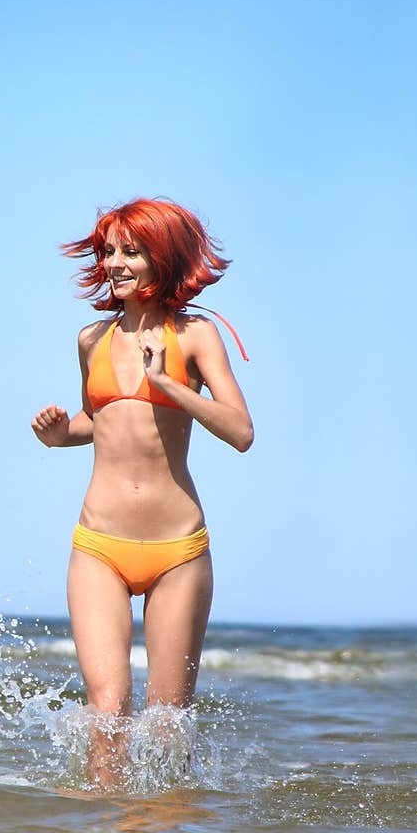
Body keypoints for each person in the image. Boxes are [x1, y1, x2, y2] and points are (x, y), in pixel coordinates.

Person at [31, 198, 253, 791]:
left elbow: (241, 432)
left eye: (131, 251)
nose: (115, 263)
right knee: (106, 715)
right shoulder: (91, 339)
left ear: (164, 256)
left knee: (166, 728)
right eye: (110, 251)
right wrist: (62, 435)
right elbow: (95, 418)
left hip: (176, 551)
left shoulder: (197, 335)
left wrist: (167, 384)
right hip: (98, 544)